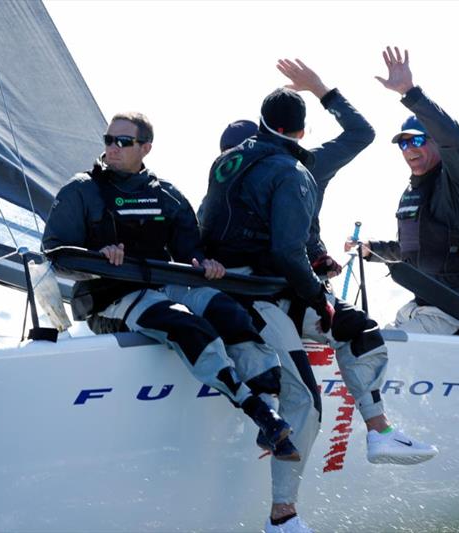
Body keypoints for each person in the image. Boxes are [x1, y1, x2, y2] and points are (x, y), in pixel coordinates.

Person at [201, 60, 437, 533]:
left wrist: (316, 264)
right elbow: (284, 250)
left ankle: (380, 432)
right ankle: (282, 517)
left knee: (359, 329)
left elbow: (268, 239)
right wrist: (322, 89)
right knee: (306, 398)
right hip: (256, 297)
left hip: (277, 288)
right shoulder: (295, 168)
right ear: (302, 130)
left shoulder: (234, 164)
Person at [41, 112, 303, 472]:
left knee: (230, 313)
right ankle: (257, 412)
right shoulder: (80, 190)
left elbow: (189, 251)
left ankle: (270, 400)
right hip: (110, 300)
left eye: (123, 141)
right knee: (187, 325)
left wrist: (204, 263)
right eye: (108, 140)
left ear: (145, 148)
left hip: (164, 286)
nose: (112, 148)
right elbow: (56, 256)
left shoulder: (165, 194)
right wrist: (96, 257)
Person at [347, 47, 459, 336]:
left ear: (435, 142)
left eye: (416, 140)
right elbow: (417, 250)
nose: (409, 150)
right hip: (430, 304)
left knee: (385, 351)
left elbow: (455, 140)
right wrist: (372, 250)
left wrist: (410, 92)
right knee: (369, 340)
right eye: (403, 144)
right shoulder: (416, 188)